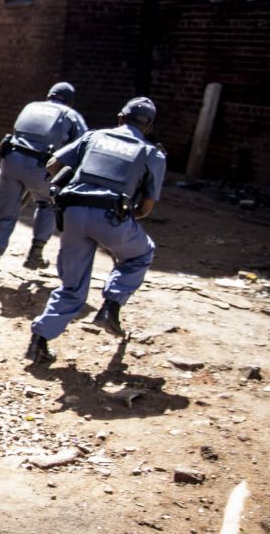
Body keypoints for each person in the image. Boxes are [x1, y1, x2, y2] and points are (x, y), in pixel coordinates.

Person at [25, 97, 167, 364]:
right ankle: (110, 306)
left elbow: (52, 164)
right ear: (148, 127)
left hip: (73, 213)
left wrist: (75, 184)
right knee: (140, 253)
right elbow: (146, 208)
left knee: (72, 285)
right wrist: (125, 217)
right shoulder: (152, 153)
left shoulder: (94, 136)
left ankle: (38, 342)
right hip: (113, 215)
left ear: (120, 117)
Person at [0, 82, 88, 288]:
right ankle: (35, 253)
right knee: (47, 204)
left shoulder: (31, 107)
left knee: (5, 216)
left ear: (49, 95)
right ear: (70, 101)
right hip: (41, 166)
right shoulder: (70, 114)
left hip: (10, 160)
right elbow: (83, 145)